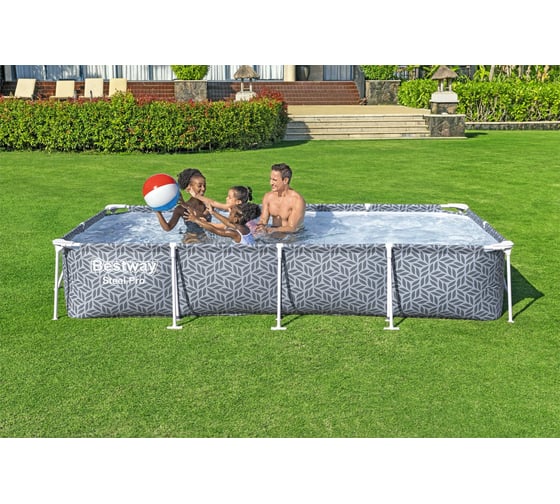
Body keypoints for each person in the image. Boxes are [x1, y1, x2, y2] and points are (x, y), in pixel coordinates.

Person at [154, 168, 210, 243]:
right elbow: (168, 228)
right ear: (188, 189)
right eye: (199, 186)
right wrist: (157, 212)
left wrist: (186, 205)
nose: (203, 188)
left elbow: (204, 217)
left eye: (204, 185)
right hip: (190, 239)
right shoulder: (180, 209)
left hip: (205, 238)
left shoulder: (207, 204)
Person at [256, 163, 306, 234]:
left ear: (285, 180)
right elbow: (263, 220)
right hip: (273, 232)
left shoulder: (297, 201)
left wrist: (272, 230)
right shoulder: (268, 197)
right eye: (270, 179)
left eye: (274, 180)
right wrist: (260, 227)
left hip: (292, 236)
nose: (271, 183)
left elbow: (292, 228)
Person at [186, 200, 261, 245]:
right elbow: (228, 223)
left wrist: (196, 220)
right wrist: (213, 212)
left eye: (231, 214)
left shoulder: (234, 233)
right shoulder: (244, 228)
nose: (229, 214)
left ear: (235, 219)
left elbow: (215, 230)